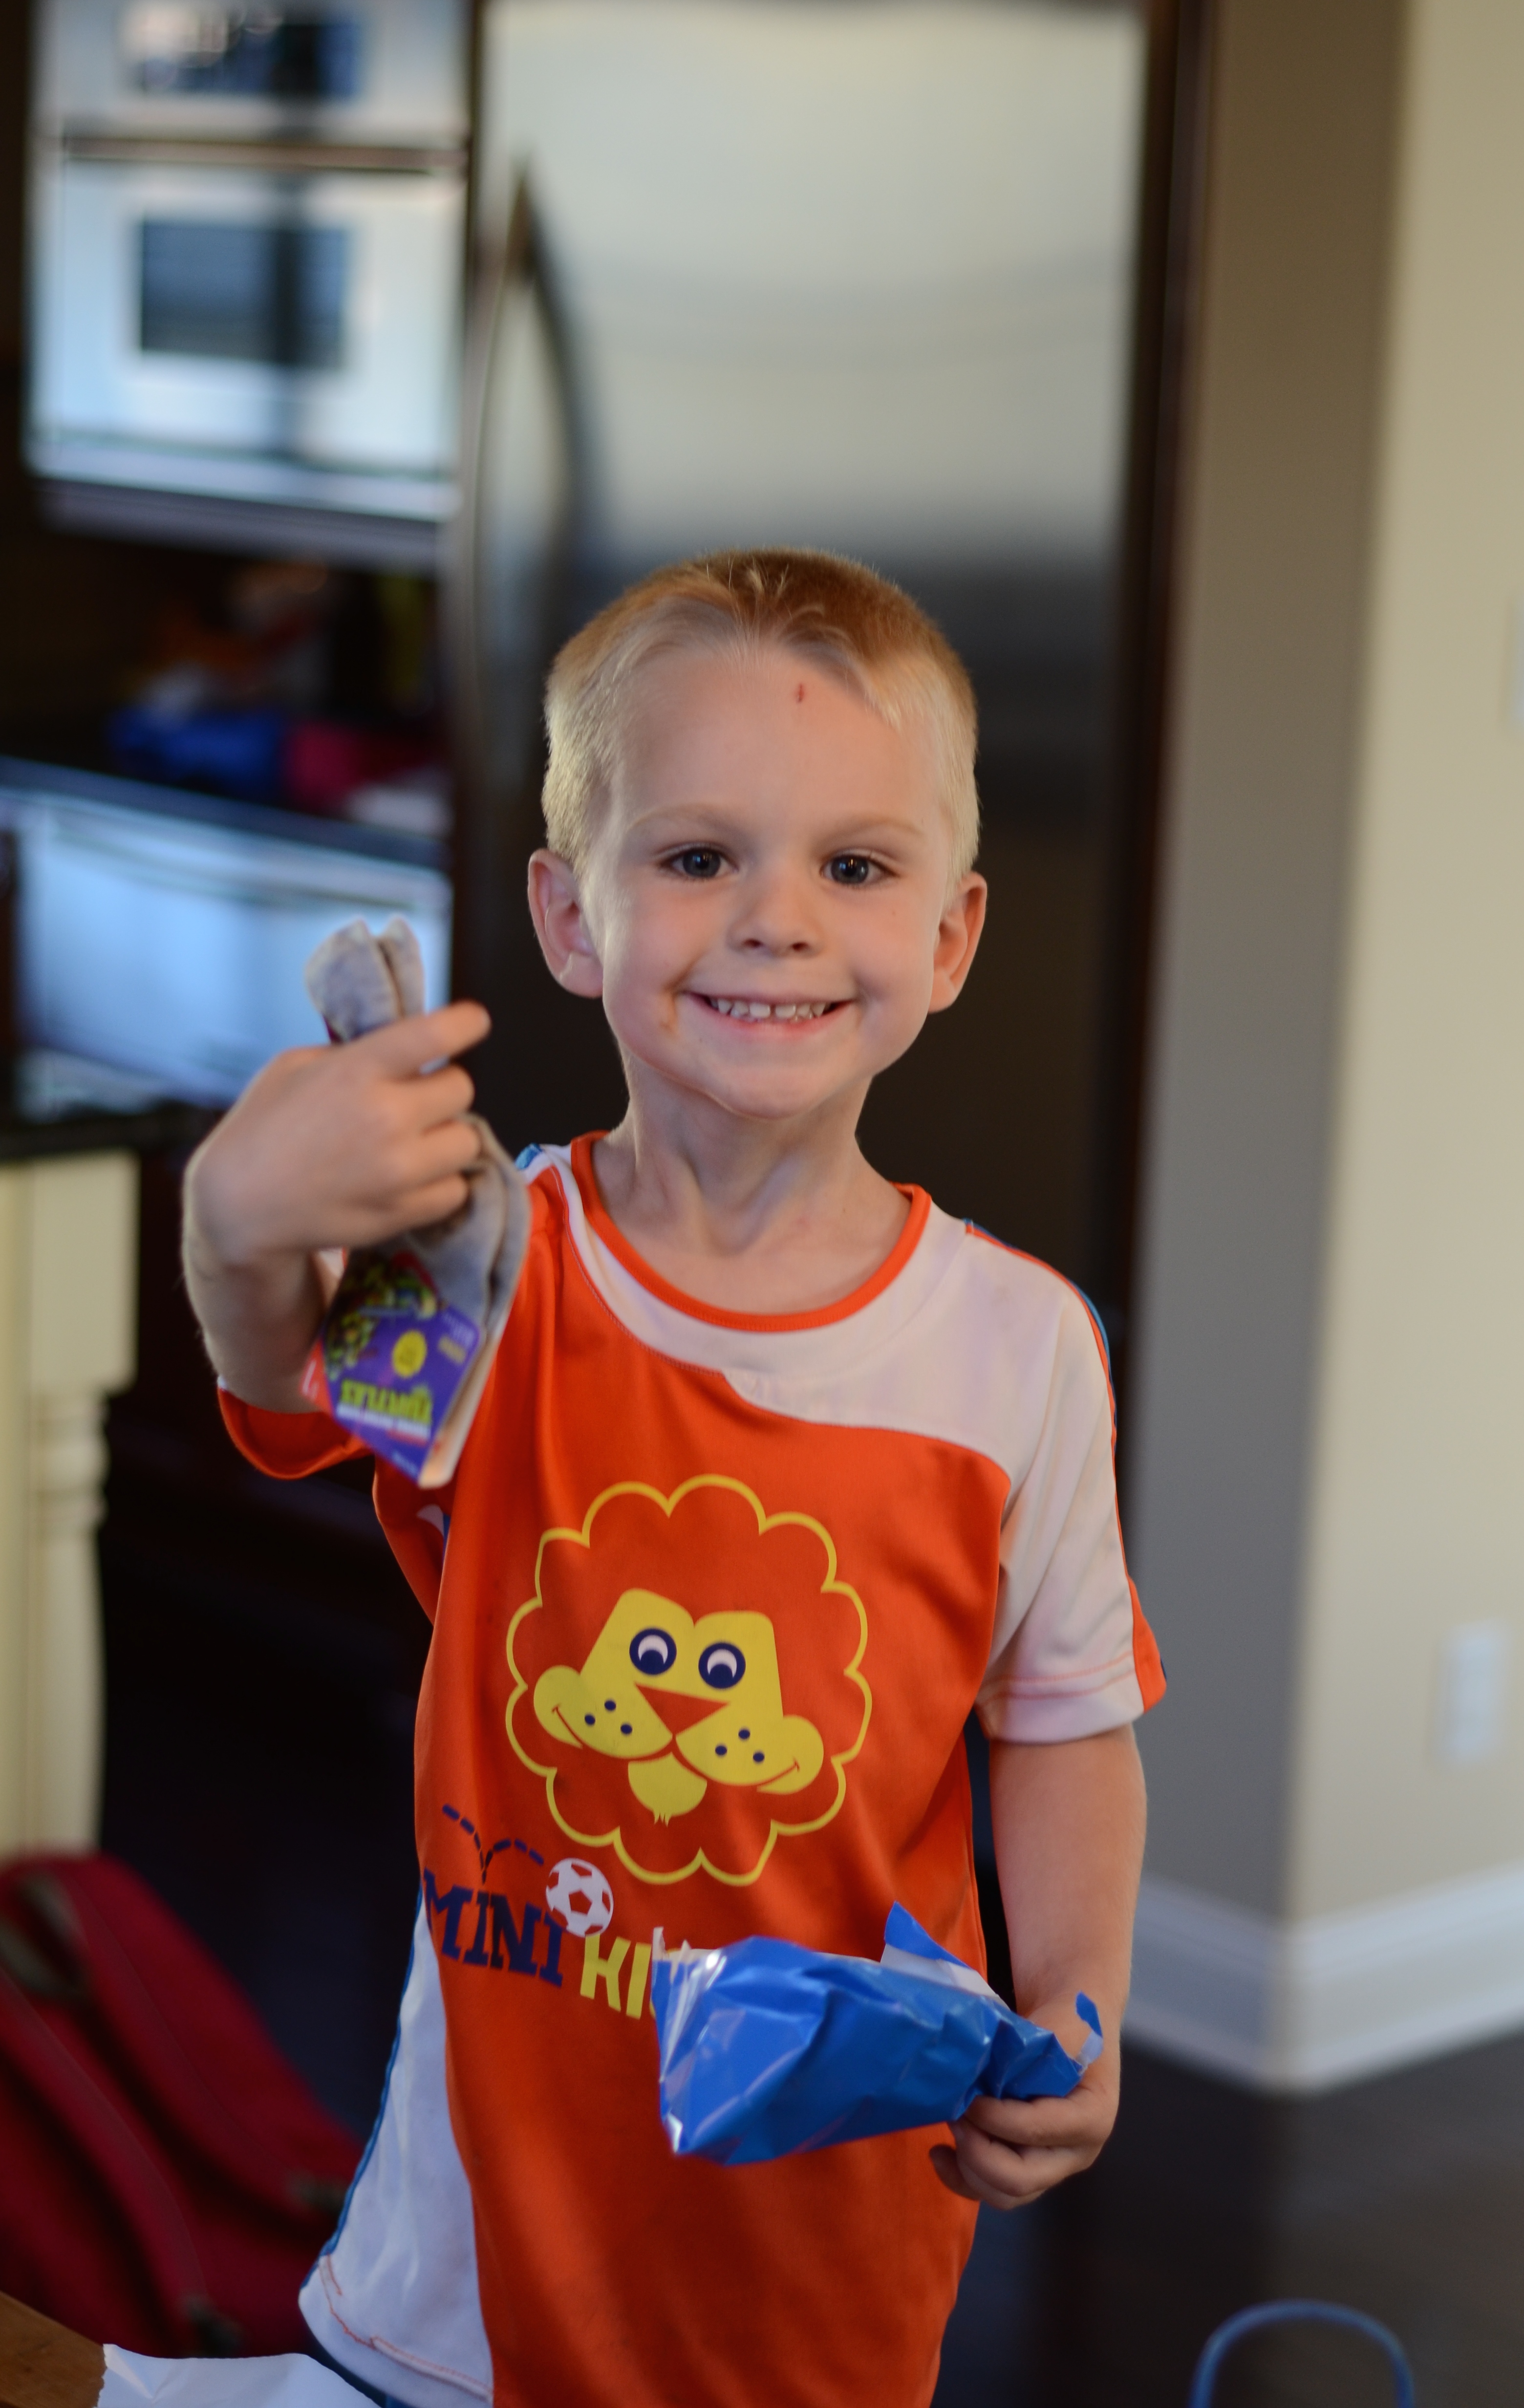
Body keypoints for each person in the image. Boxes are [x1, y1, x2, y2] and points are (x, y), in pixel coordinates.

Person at [183, 549, 1164, 2408]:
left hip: (827, 2262)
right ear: (573, 916)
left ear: (951, 938)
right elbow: (283, 1391)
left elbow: (1064, 1720)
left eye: (854, 868)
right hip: (469, 2270)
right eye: (700, 856)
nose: (775, 922)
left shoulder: (1023, 1349)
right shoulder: (482, 1266)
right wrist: (237, 1234)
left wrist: (1078, 1997)